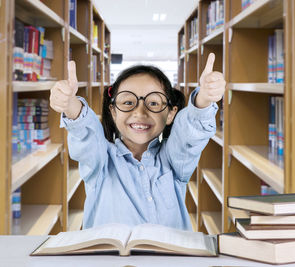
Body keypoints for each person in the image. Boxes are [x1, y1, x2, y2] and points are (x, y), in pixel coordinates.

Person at [50, 53, 226, 230]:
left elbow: (188, 133)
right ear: (113, 111)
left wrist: (204, 99)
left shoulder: (175, 159)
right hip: (109, 258)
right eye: (128, 102)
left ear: (171, 113)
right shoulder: (101, 161)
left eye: (154, 103)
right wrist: (70, 104)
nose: (140, 112)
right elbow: (87, 135)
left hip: (169, 258)